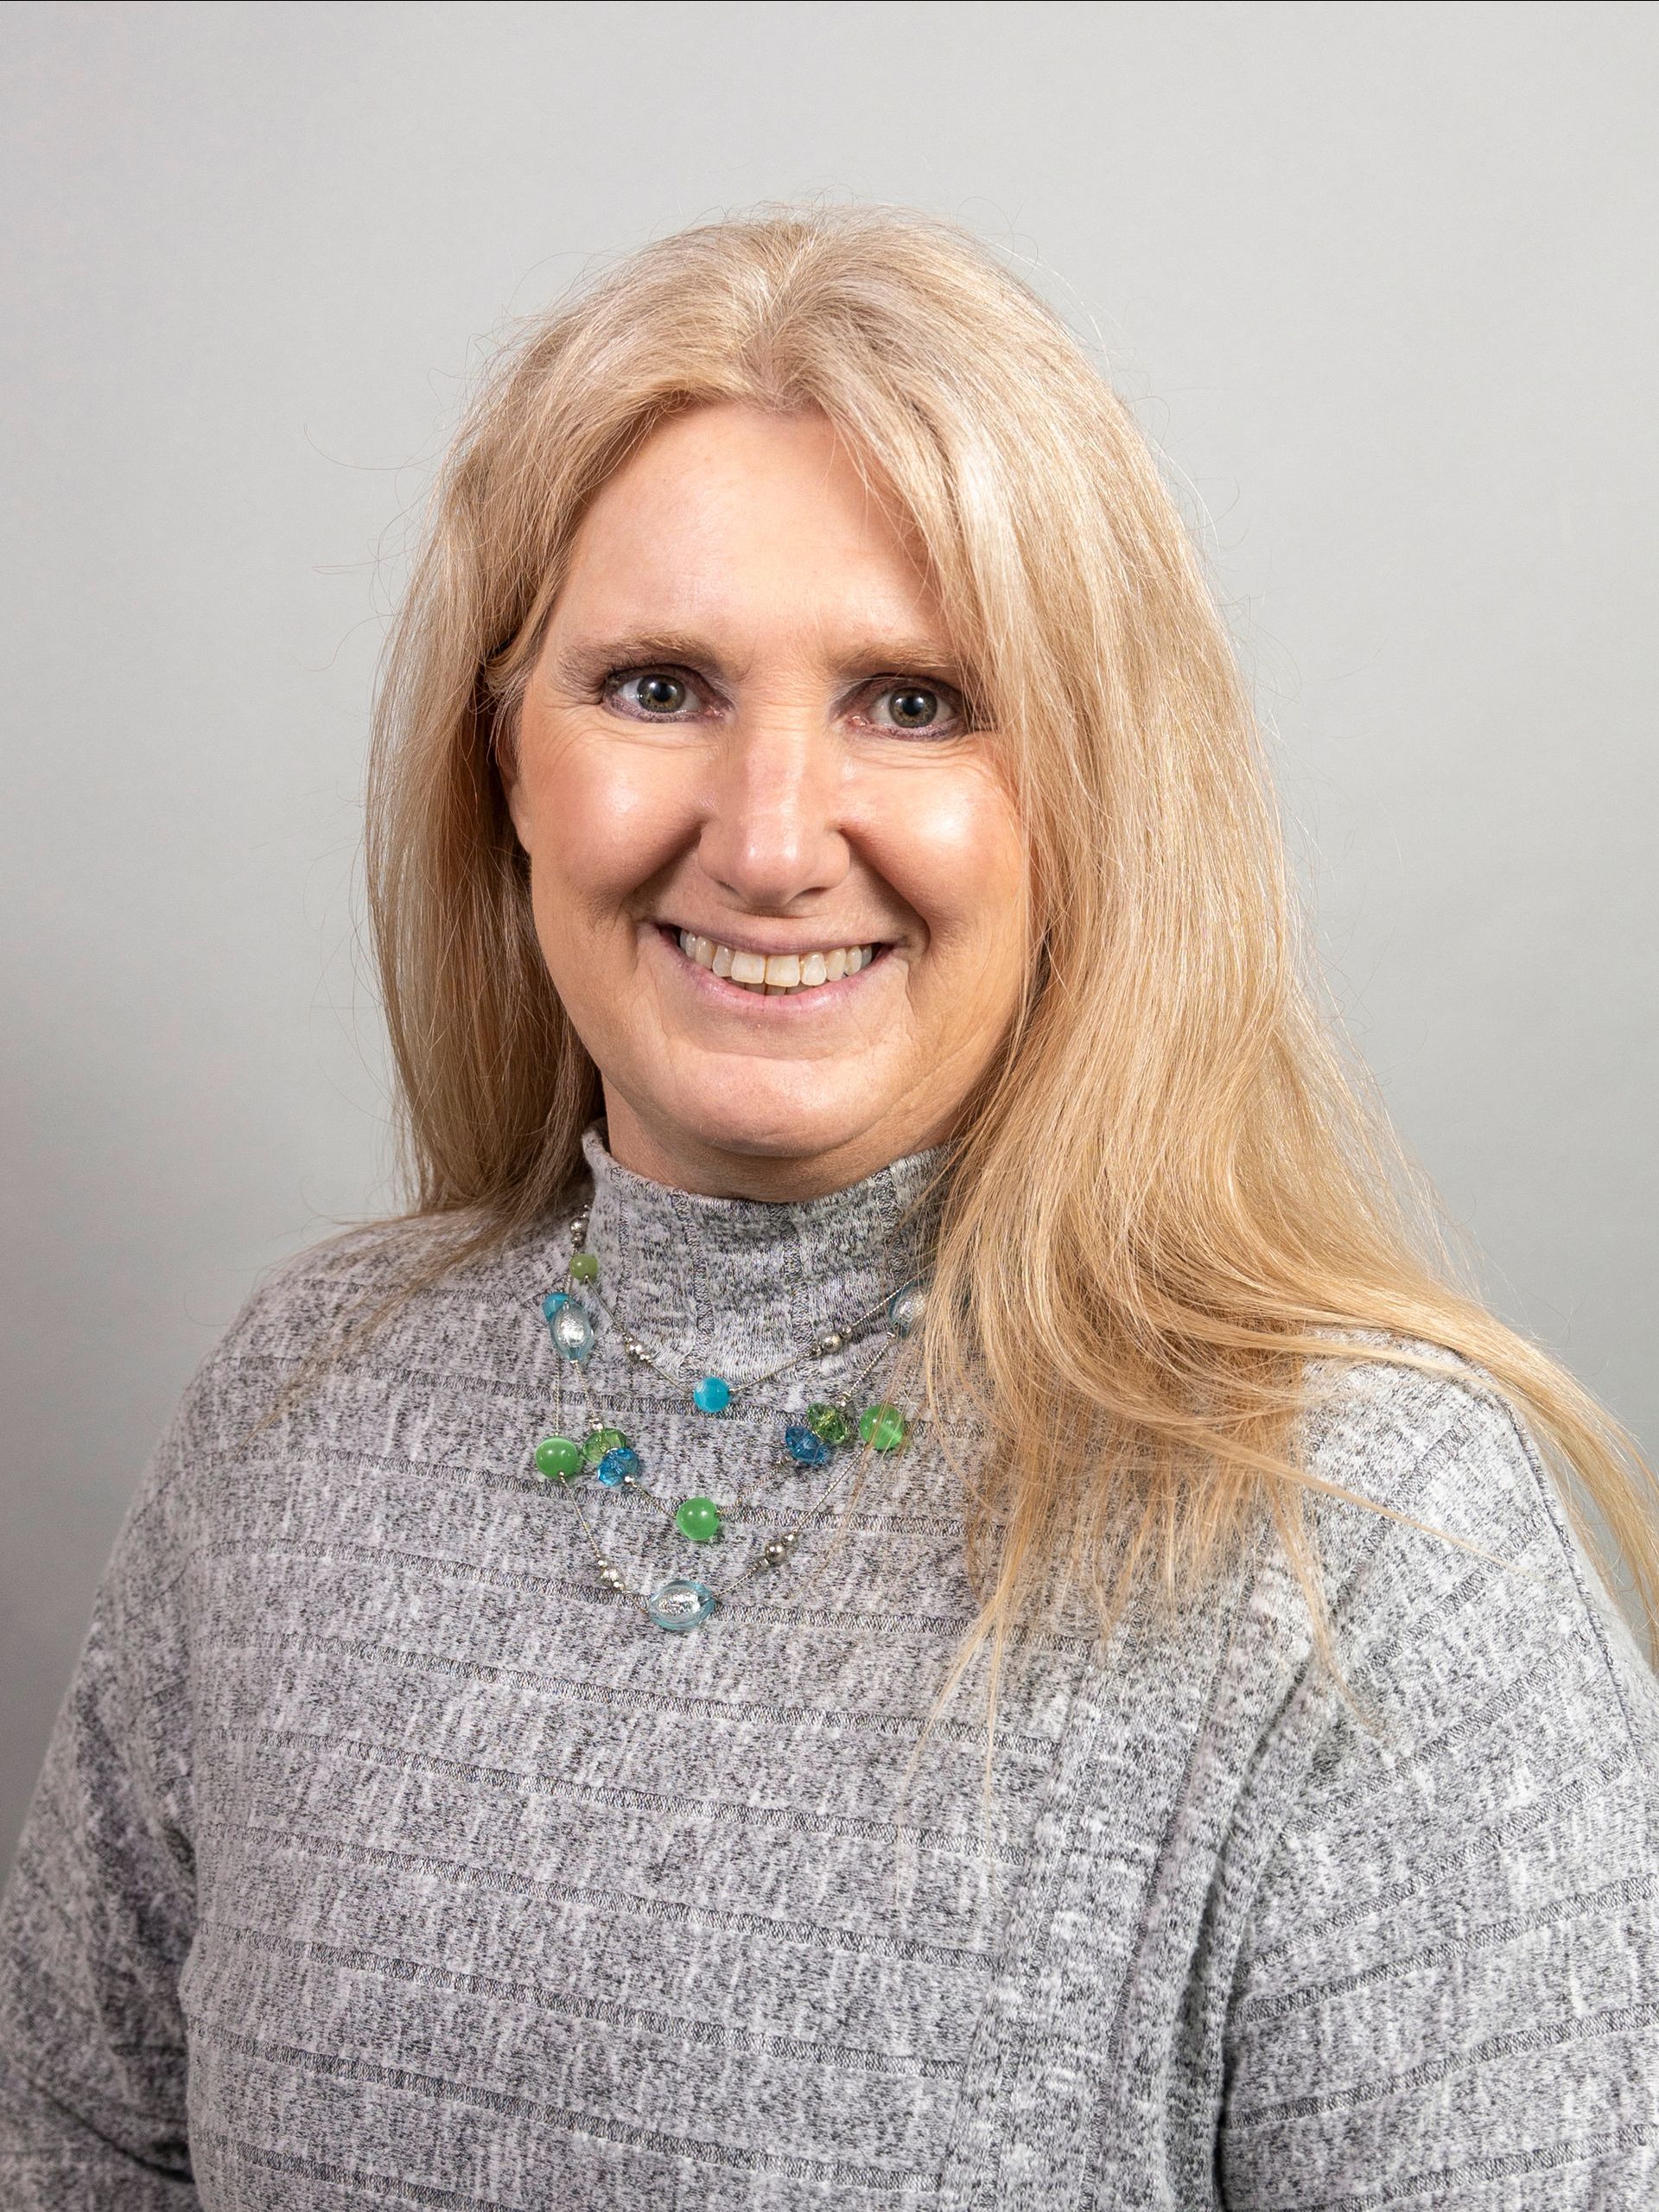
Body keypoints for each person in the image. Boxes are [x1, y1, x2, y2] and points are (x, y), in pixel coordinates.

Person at [2, 203, 1655, 2211]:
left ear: (1094, 794)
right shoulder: (298, 1407)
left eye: (916, 700)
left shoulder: (1373, 1544)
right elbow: (73, 2142)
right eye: (657, 684)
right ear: (499, 761)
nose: (774, 839)